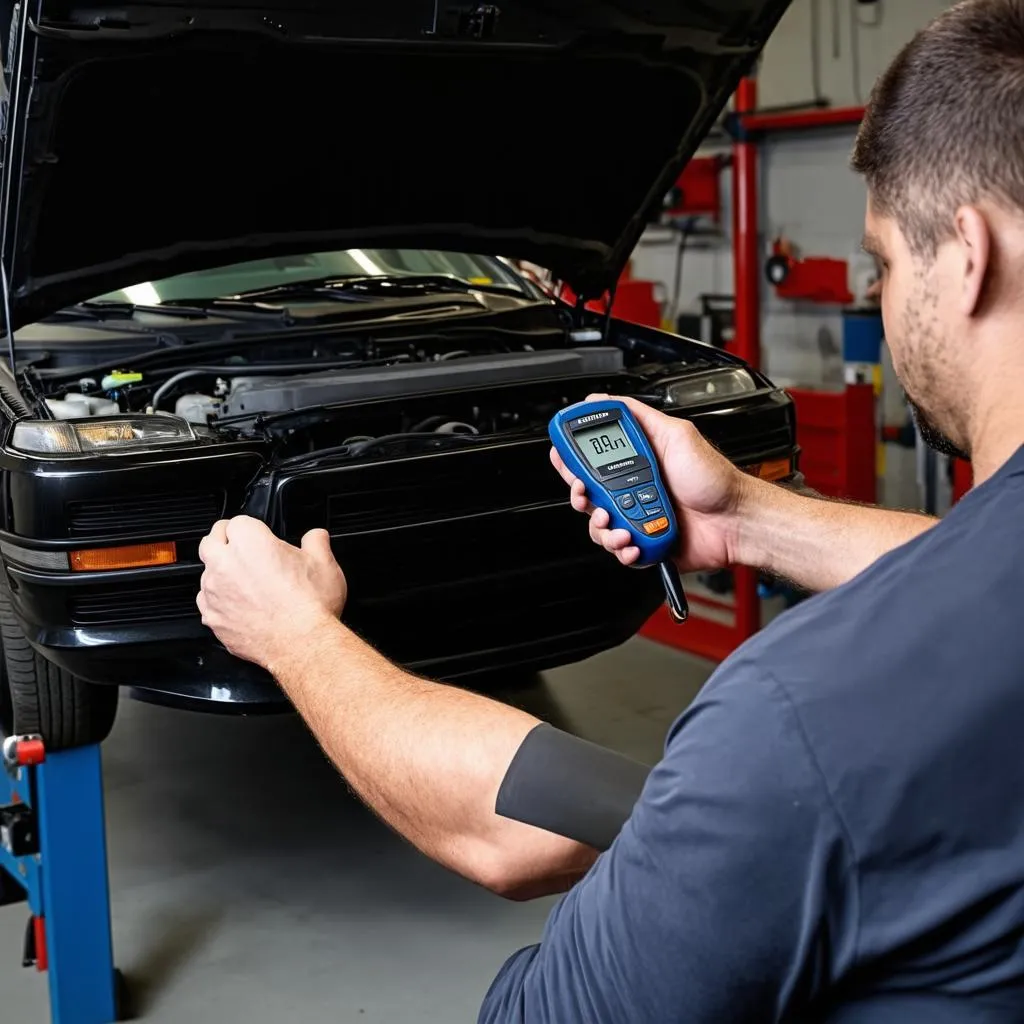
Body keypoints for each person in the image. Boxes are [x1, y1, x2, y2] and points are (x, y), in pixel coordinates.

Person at [196, 1, 1024, 1018]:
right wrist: (748, 516)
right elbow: (979, 570)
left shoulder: (796, 722)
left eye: (885, 263)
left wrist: (296, 635)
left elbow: (525, 873)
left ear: (970, 254)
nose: (882, 296)